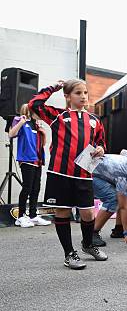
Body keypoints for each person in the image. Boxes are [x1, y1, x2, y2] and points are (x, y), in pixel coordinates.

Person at [29, 79, 107, 269]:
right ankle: (69, 254)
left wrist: (101, 149)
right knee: (62, 212)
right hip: (60, 173)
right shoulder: (57, 115)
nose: (83, 97)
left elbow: (101, 143)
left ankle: (88, 245)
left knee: (88, 213)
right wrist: (54, 87)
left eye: (85, 93)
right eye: (78, 93)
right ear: (67, 96)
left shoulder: (95, 121)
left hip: (84, 174)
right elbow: (34, 104)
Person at [8, 103, 50, 227]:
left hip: (38, 160)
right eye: (37, 110)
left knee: (36, 188)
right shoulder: (20, 120)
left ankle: (33, 215)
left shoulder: (36, 125)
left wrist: (43, 133)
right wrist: (21, 122)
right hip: (27, 160)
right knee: (27, 187)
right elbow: (11, 134)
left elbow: (42, 144)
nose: (39, 113)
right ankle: (20, 217)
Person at [91, 150, 127, 248]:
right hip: (90, 173)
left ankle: (119, 229)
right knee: (114, 199)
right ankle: (92, 233)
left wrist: (112, 162)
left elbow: (123, 151)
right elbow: (123, 207)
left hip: (99, 169)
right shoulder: (123, 176)